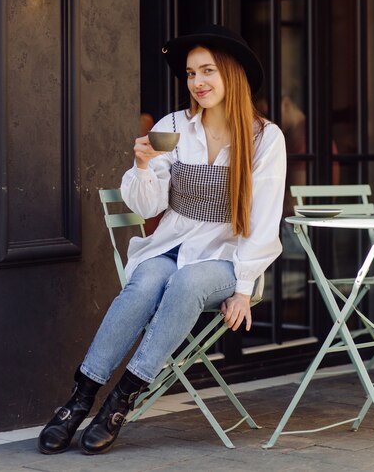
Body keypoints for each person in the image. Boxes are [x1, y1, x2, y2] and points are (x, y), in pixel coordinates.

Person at [38, 24, 287, 456]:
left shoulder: (266, 138)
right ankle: (79, 400)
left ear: (233, 74)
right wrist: (141, 166)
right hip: (170, 246)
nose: (198, 82)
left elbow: (265, 222)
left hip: (228, 260)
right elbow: (149, 207)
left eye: (208, 70)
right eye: (191, 74)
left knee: (186, 284)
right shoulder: (174, 126)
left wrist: (243, 289)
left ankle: (120, 402)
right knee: (147, 282)